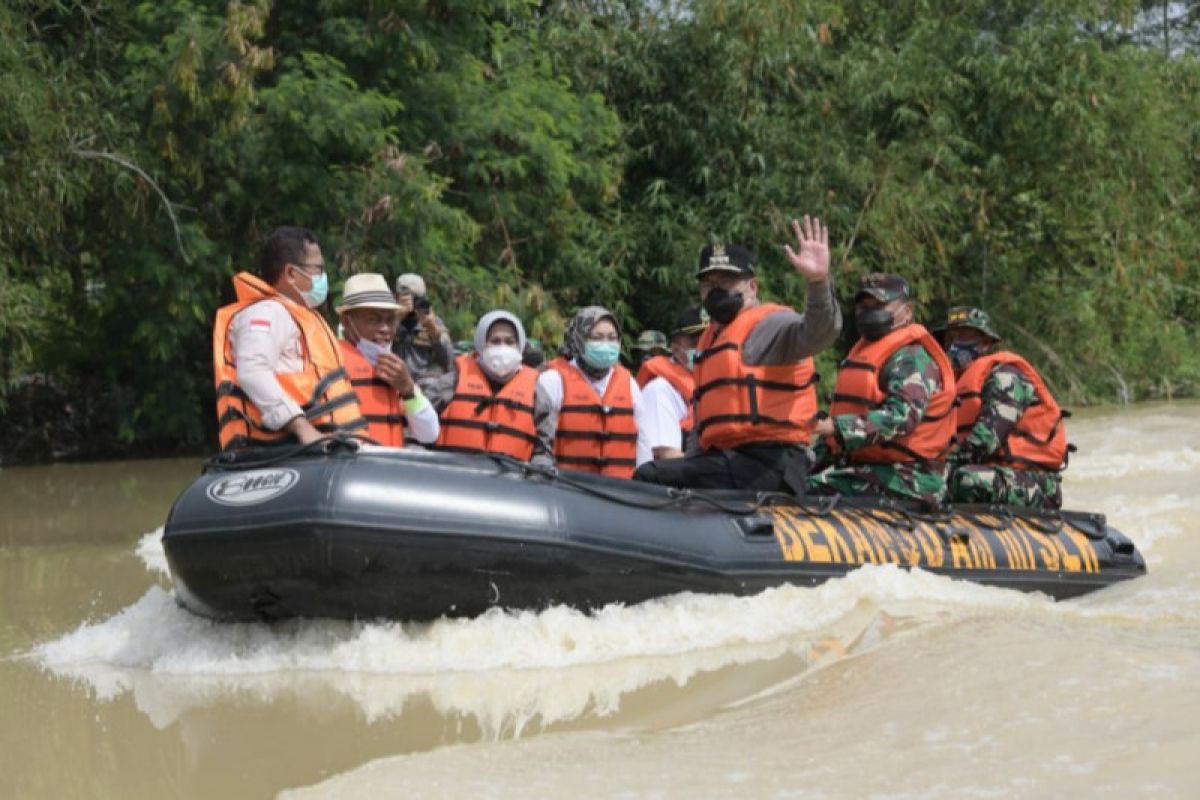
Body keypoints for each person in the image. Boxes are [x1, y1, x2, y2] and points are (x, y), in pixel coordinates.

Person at [634, 216, 841, 493]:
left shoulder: (769, 325)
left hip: (773, 463)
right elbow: (704, 428)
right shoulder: (710, 342)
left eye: (727, 281)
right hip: (729, 462)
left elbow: (819, 332)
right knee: (671, 476)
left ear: (752, 287)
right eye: (709, 283)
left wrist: (818, 282)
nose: (717, 289)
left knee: (651, 476)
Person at [807, 274, 955, 506]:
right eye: (864, 307)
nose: (869, 313)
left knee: (807, 494)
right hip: (868, 471)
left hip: (908, 479)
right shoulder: (866, 351)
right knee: (789, 481)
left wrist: (835, 427)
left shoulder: (912, 358)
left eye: (879, 306)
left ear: (907, 312)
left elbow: (901, 417)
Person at [213, 226, 366, 449]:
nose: (323, 276)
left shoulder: (301, 317)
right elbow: (252, 370)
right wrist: (304, 429)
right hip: (293, 451)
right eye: (318, 268)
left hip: (332, 451)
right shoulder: (266, 312)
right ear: (292, 274)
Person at [941, 306, 1069, 509]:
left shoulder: (1006, 377)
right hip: (990, 473)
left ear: (985, 343)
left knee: (964, 479)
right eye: (950, 339)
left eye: (963, 337)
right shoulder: (949, 386)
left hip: (1033, 483)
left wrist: (941, 467)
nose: (954, 345)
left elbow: (986, 440)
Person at [534, 306, 652, 478]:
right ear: (579, 340)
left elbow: (644, 445)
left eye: (612, 338)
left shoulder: (629, 384)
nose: (606, 344)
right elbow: (541, 442)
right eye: (596, 338)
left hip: (620, 491)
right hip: (568, 488)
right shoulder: (553, 380)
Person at [335, 273, 440, 447]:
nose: (385, 329)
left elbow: (429, 434)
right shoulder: (331, 361)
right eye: (374, 320)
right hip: (350, 469)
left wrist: (408, 389)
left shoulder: (395, 369)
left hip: (388, 469)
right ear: (347, 321)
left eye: (390, 320)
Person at [432, 310, 544, 460]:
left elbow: (544, 450)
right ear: (481, 344)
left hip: (511, 481)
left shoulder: (537, 391)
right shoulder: (451, 382)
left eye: (510, 342)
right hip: (455, 478)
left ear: (520, 346)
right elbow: (419, 427)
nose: (502, 347)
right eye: (495, 341)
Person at [635, 307, 707, 461]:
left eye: (710, 338)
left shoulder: (713, 384)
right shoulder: (660, 390)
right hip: (675, 481)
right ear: (675, 348)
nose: (704, 346)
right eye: (695, 341)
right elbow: (667, 456)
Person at [393, 272, 455, 391]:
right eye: (408, 297)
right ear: (396, 297)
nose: (412, 302)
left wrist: (433, 331)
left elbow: (448, 362)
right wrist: (397, 319)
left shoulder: (433, 322)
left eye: (417, 298)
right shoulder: (385, 321)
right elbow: (375, 348)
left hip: (424, 384)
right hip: (394, 379)